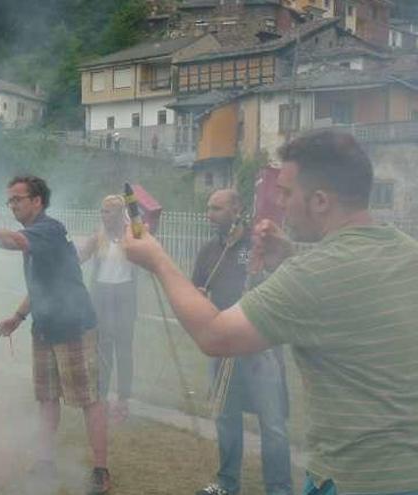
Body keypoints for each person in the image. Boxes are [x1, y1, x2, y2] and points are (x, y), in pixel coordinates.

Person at [123, 129, 418, 495]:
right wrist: (292, 256)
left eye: (288, 192)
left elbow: (215, 335)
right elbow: (354, 285)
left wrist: (157, 258)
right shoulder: (406, 251)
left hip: (355, 479)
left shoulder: (315, 274)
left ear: (321, 200)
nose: (279, 202)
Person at [0, 175, 111, 495]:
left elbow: (15, 241)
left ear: (37, 201)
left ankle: (100, 470)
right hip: (45, 328)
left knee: (89, 400)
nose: (12, 205)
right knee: (46, 398)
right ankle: (45, 461)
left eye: (18, 199)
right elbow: (43, 285)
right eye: (10, 200)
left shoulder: (48, 229)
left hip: (74, 326)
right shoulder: (39, 234)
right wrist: (19, 317)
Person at [191, 189, 291, 495]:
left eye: (217, 208)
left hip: (261, 347)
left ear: (237, 209)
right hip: (225, 347)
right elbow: (198, 292)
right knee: (226, 418)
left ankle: (279, 489)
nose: (210, 214)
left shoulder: (257, 245)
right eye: (208, 208)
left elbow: (282, 279)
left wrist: (262, 267)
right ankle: (227, 484)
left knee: (272, 425)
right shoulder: (209, 251)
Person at [78, 194, 137, 424]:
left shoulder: (133, 236)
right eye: (102, 211)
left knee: (124, 350)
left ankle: (123, 399)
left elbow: (149, 250)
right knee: (102, 349)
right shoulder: (98, 238)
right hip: (101, 296)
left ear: (120, 213)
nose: (104, 216)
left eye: (109, 211)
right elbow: (78, 258)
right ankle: (101, 396)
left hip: (124, 296)